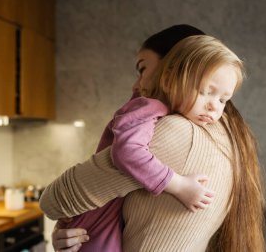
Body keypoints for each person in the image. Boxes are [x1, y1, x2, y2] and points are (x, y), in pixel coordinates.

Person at [40, 34, 266, 252]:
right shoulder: (225, 137)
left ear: (167, 74)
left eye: (142, 69)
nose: (135, 85)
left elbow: (53, 201)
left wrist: (178, 185)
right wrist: (71, 225)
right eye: (206, 92)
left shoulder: (172, 128)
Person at [51, 24, 210, 252]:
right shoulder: (151, 105)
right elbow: (127, 151)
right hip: (100, 216)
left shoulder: (165, 115)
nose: (136, 85)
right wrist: (179, 186)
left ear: (172, 68)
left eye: (142, 69)